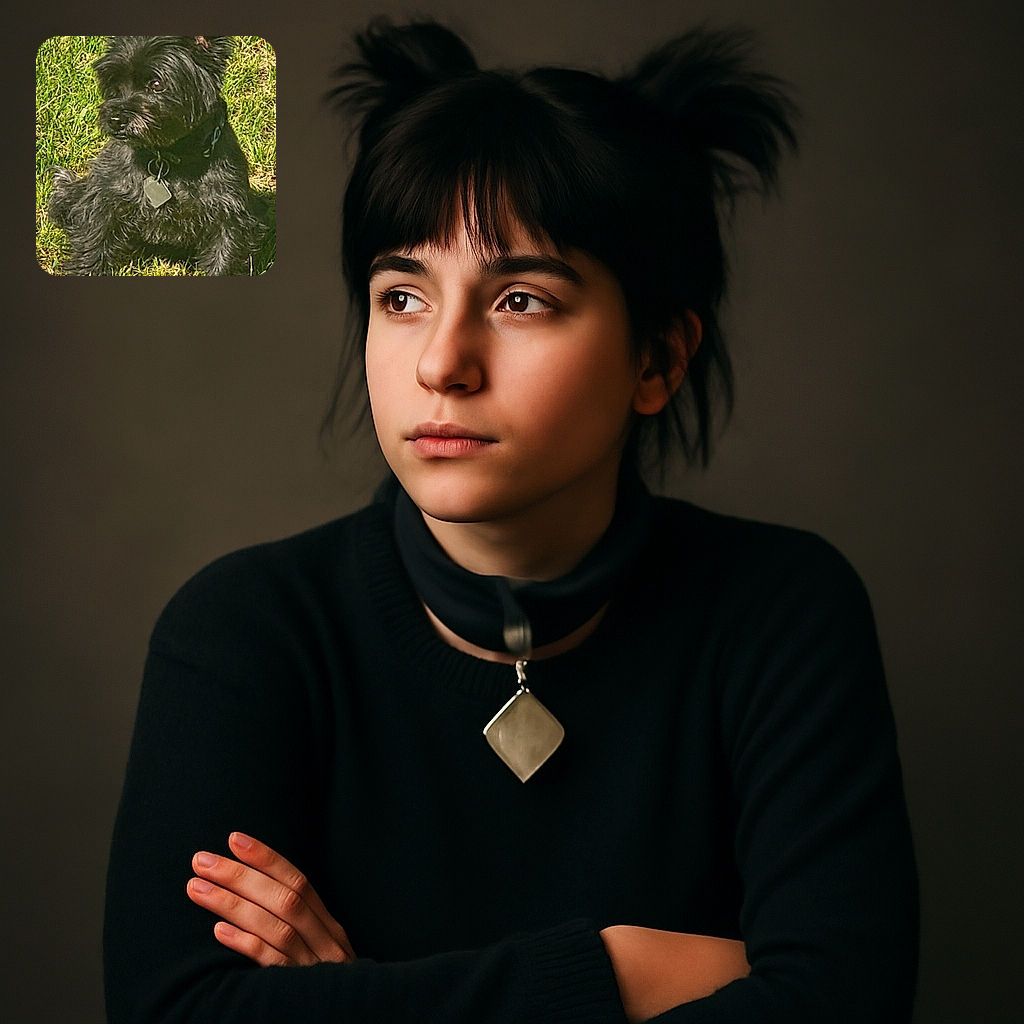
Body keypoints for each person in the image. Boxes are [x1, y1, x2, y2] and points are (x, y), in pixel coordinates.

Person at [104, 18, 918, 1023]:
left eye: (521, 299)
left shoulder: (781, 614)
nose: (441, 362)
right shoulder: (244, 632)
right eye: (401, 296)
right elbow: (175, 1010)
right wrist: (618, 970)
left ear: (658, 359)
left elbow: (842, 1002)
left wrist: (357, 1001)